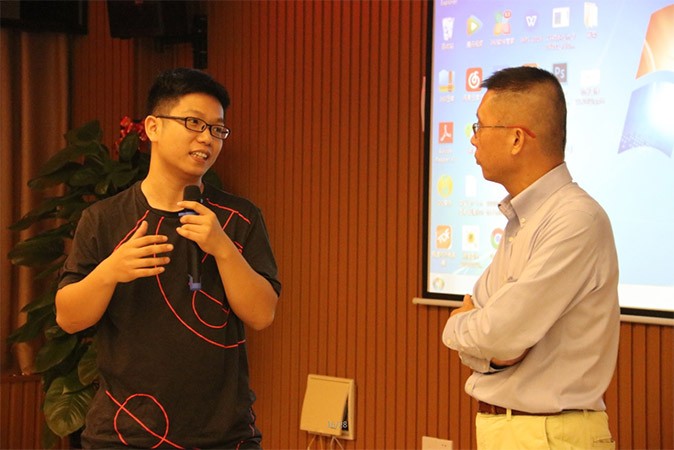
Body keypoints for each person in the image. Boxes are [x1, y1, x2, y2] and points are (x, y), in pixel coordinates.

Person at [55, 68, 281, 449]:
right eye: (194, 122)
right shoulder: (105, 219)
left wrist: (223, 248)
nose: (207, 138)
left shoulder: (239, 219)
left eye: (217, 129)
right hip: (124, 435)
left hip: (225, 436)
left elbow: (262, 314)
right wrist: (110, 271)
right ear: (153, 127)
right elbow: (68, 317)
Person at [442, 66, 619, 450]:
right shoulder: (520, 222)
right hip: (511, 431)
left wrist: (457, 327)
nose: (472, 139)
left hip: (551, 435)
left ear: (517, 139)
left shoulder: (576, 219)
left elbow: (501, 335)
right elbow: (498, 341)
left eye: (480, 126)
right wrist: (489, 347)